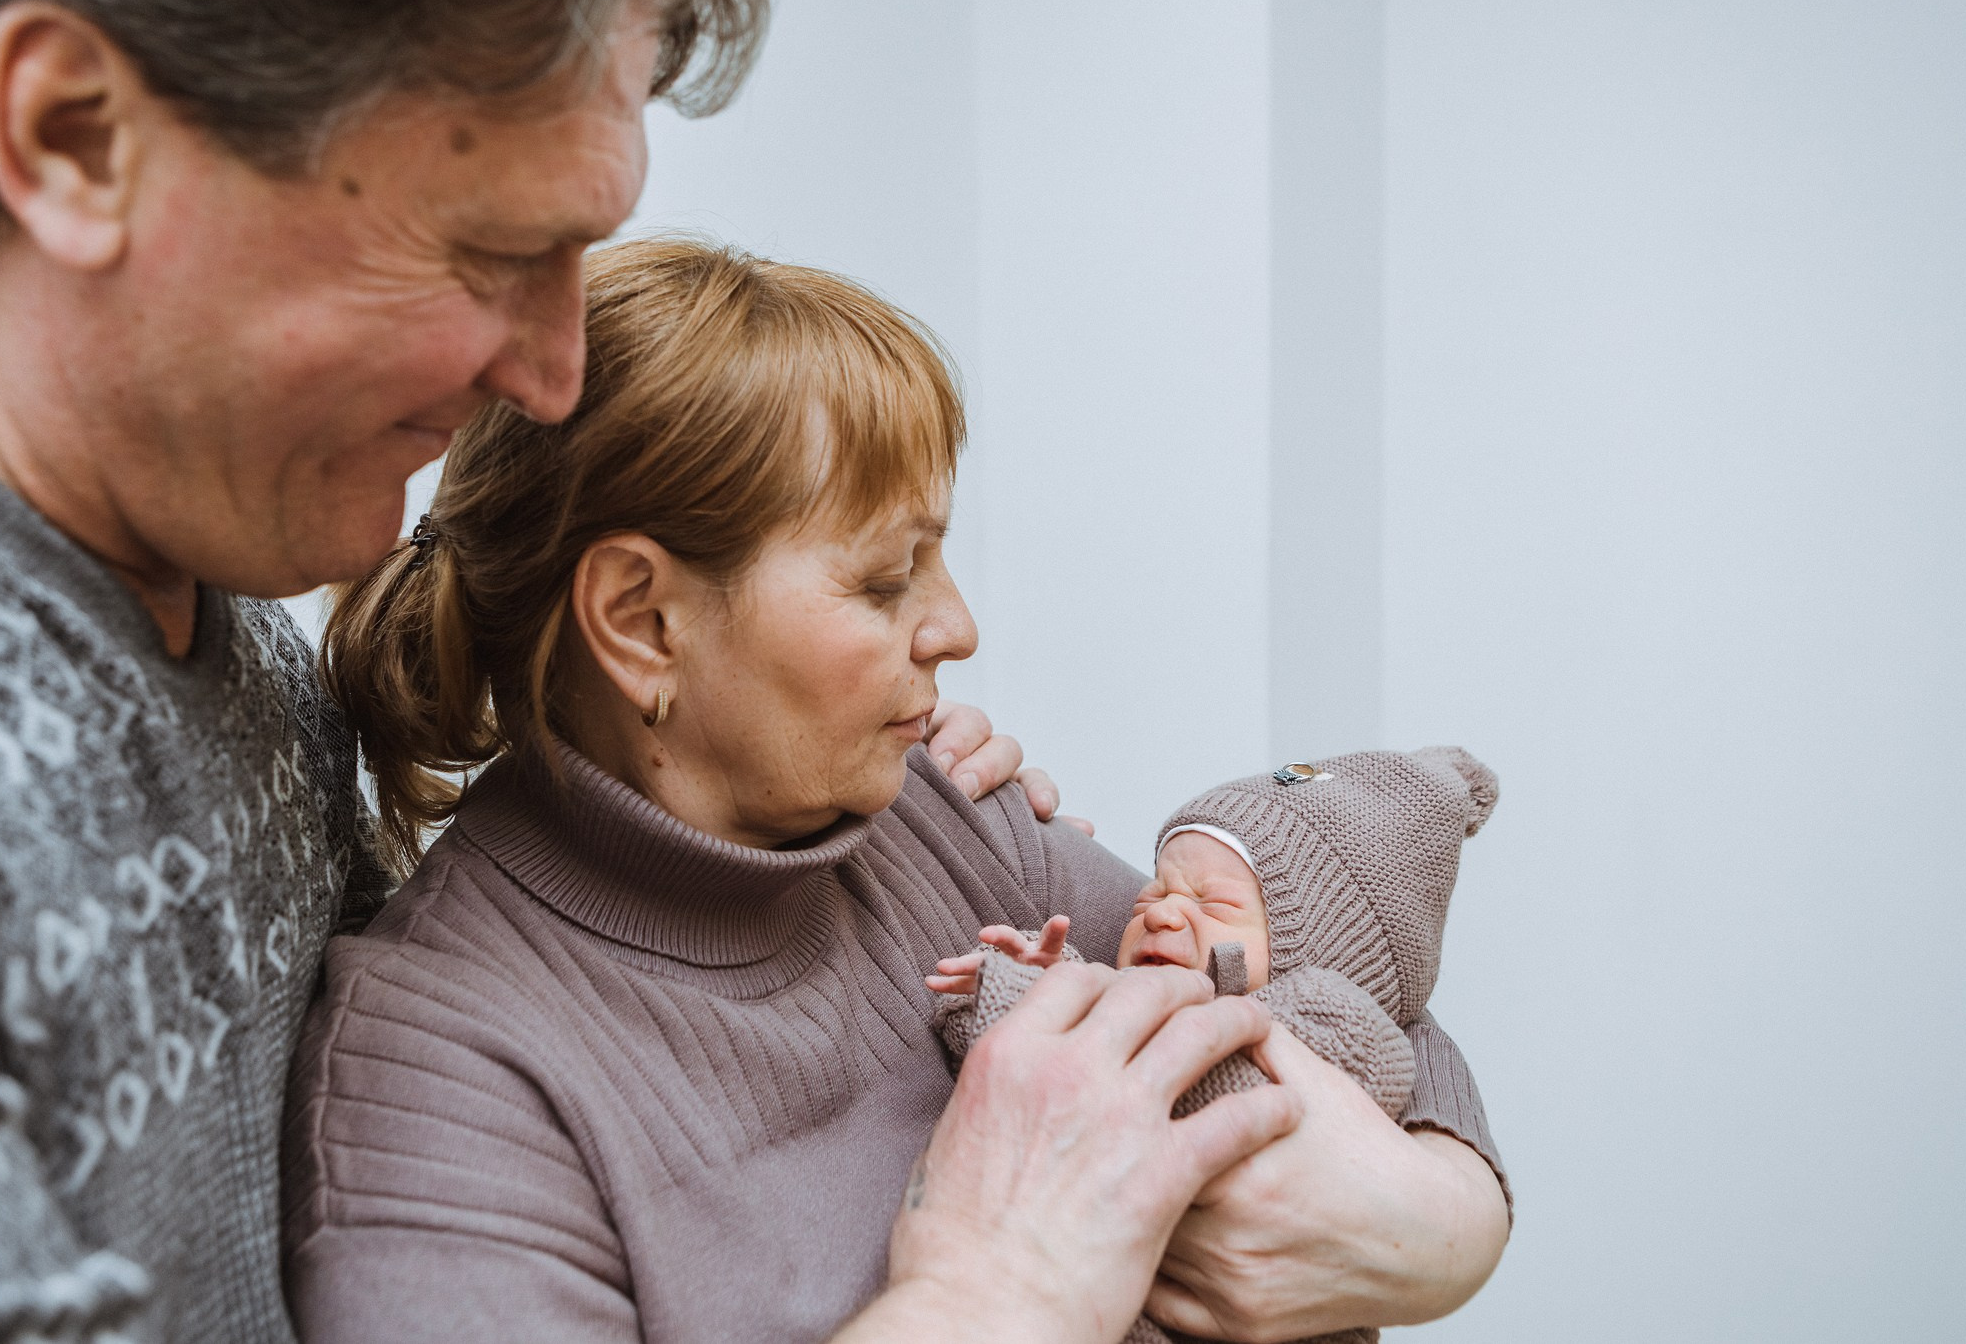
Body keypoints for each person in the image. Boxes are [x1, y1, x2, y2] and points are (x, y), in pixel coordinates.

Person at [0, 0, 1053, 1343]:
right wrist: (1001, 1287)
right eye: (493, 250)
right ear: (74, 132)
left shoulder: (205, 549)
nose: (553, 374)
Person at [283, 238, 1510, 1344]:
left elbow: (1339, 975)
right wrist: (1004, 1289)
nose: (958, 628)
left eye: (939, 558)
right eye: (884, 581)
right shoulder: (433, 1082)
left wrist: (1438, 1226)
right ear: (641, 622)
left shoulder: (939, 818)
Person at [931, 747, 1510, 1344]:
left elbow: (1196, 1081)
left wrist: (1053, 1002)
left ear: (1320, 952)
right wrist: (1031, 983)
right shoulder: (1154, 995)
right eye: (1151, 897)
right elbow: (1000, 1061)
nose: (1161, 916)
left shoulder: (1339, 1030)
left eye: (1214, 905)